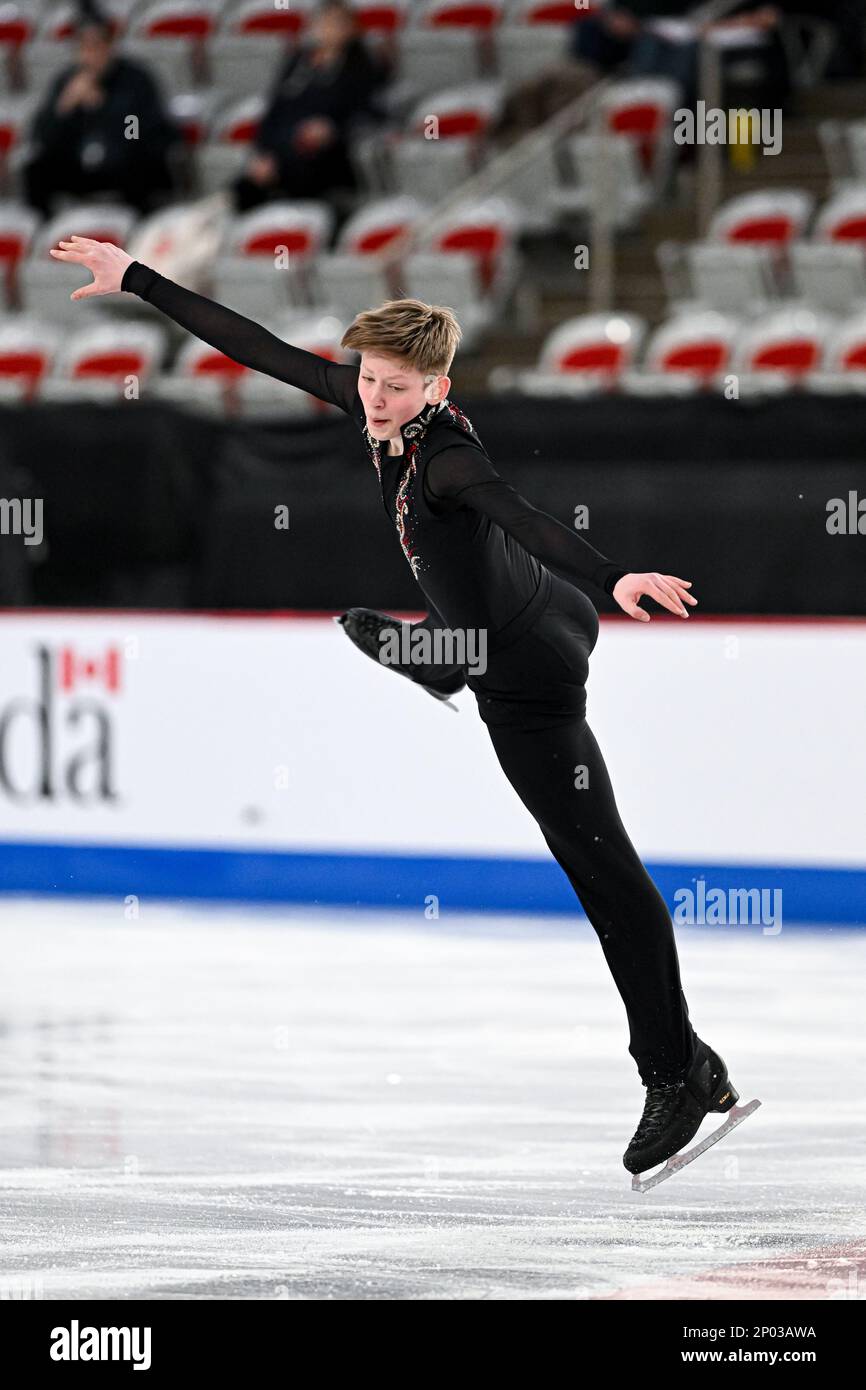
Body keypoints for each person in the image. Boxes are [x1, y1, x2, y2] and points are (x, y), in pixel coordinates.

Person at [49, 233, 746, 1180]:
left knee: (604, 875)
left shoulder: (447, 460)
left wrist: (619, 572)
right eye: (369, 379)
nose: (374, 398)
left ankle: (678, 1071)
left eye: (396, 386)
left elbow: (523, 516)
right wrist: (135, 278)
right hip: (540, 616)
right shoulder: (371, 406)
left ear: (439, 388)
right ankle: (436, 654)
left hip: (529, 670)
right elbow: (255, 346)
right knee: (430, 632)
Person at [22, 3, 180, 219]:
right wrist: (63, 107)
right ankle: (46, 235)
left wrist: (102, 107)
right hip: (83, 168)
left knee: (141, 166)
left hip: (126, 166)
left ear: (109, 46)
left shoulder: (136, 79)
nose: (90, 55)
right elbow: (41, 137)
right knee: (36, 170)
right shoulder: (66, 80)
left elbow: (134, 133)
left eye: (95, 46)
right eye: (83, 47)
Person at [232, 0, 384, 213]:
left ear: (351, 29)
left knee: (300, 172)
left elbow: (369, 114)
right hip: (283, 150)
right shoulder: (297, 64)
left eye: (336, 23)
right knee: (244, 187)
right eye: (323, 23)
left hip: (330, 155)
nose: (327, 29)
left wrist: (331, 129)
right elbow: (274, 111)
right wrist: (262, 153)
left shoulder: (361, 68)